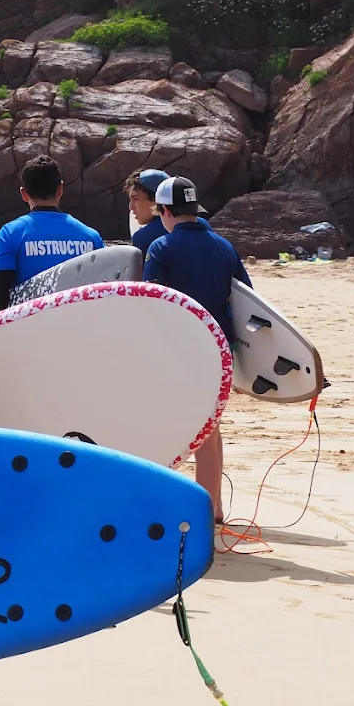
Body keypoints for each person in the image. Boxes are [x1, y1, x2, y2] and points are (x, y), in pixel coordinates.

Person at [143, 176, 252, 523]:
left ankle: (179, 508)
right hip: (218, 352)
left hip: (176, 353)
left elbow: (151, 305)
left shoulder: (161, 248)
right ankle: (213, 507)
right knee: (210, 430)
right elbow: (248, 300)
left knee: (167, 429)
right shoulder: (224, 247)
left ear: (164, 211)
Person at [0, 154, 104, 317]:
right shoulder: (91, 237)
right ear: (60, 189)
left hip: (31, 329)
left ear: (24, 194)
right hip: (79, 326)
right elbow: (103, 291)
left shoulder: (10, 233)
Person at [126, 169, 170, 256]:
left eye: (136, 199)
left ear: (156, 199)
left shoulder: (143, 238)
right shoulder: (201, 224)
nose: (131, 207)